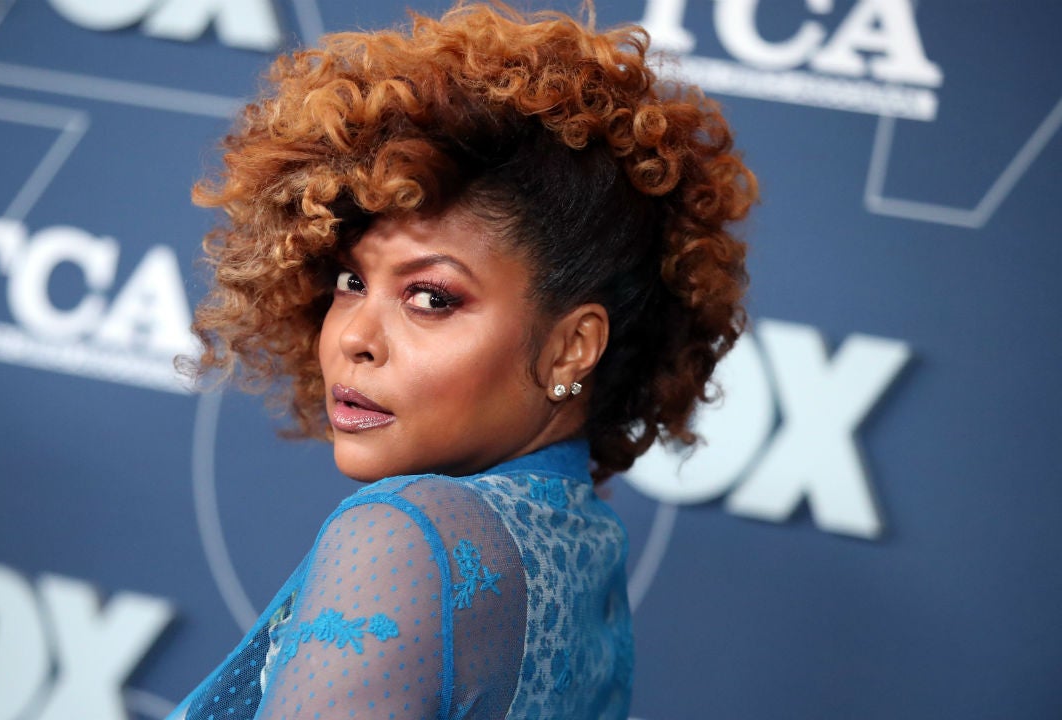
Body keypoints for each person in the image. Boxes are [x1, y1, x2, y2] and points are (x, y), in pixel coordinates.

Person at [169, 2, 754, 718]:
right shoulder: (580, 543)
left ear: (571, 347)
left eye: (431, 298)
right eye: (351, 282)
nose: (354, 337)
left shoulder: (401, 539)